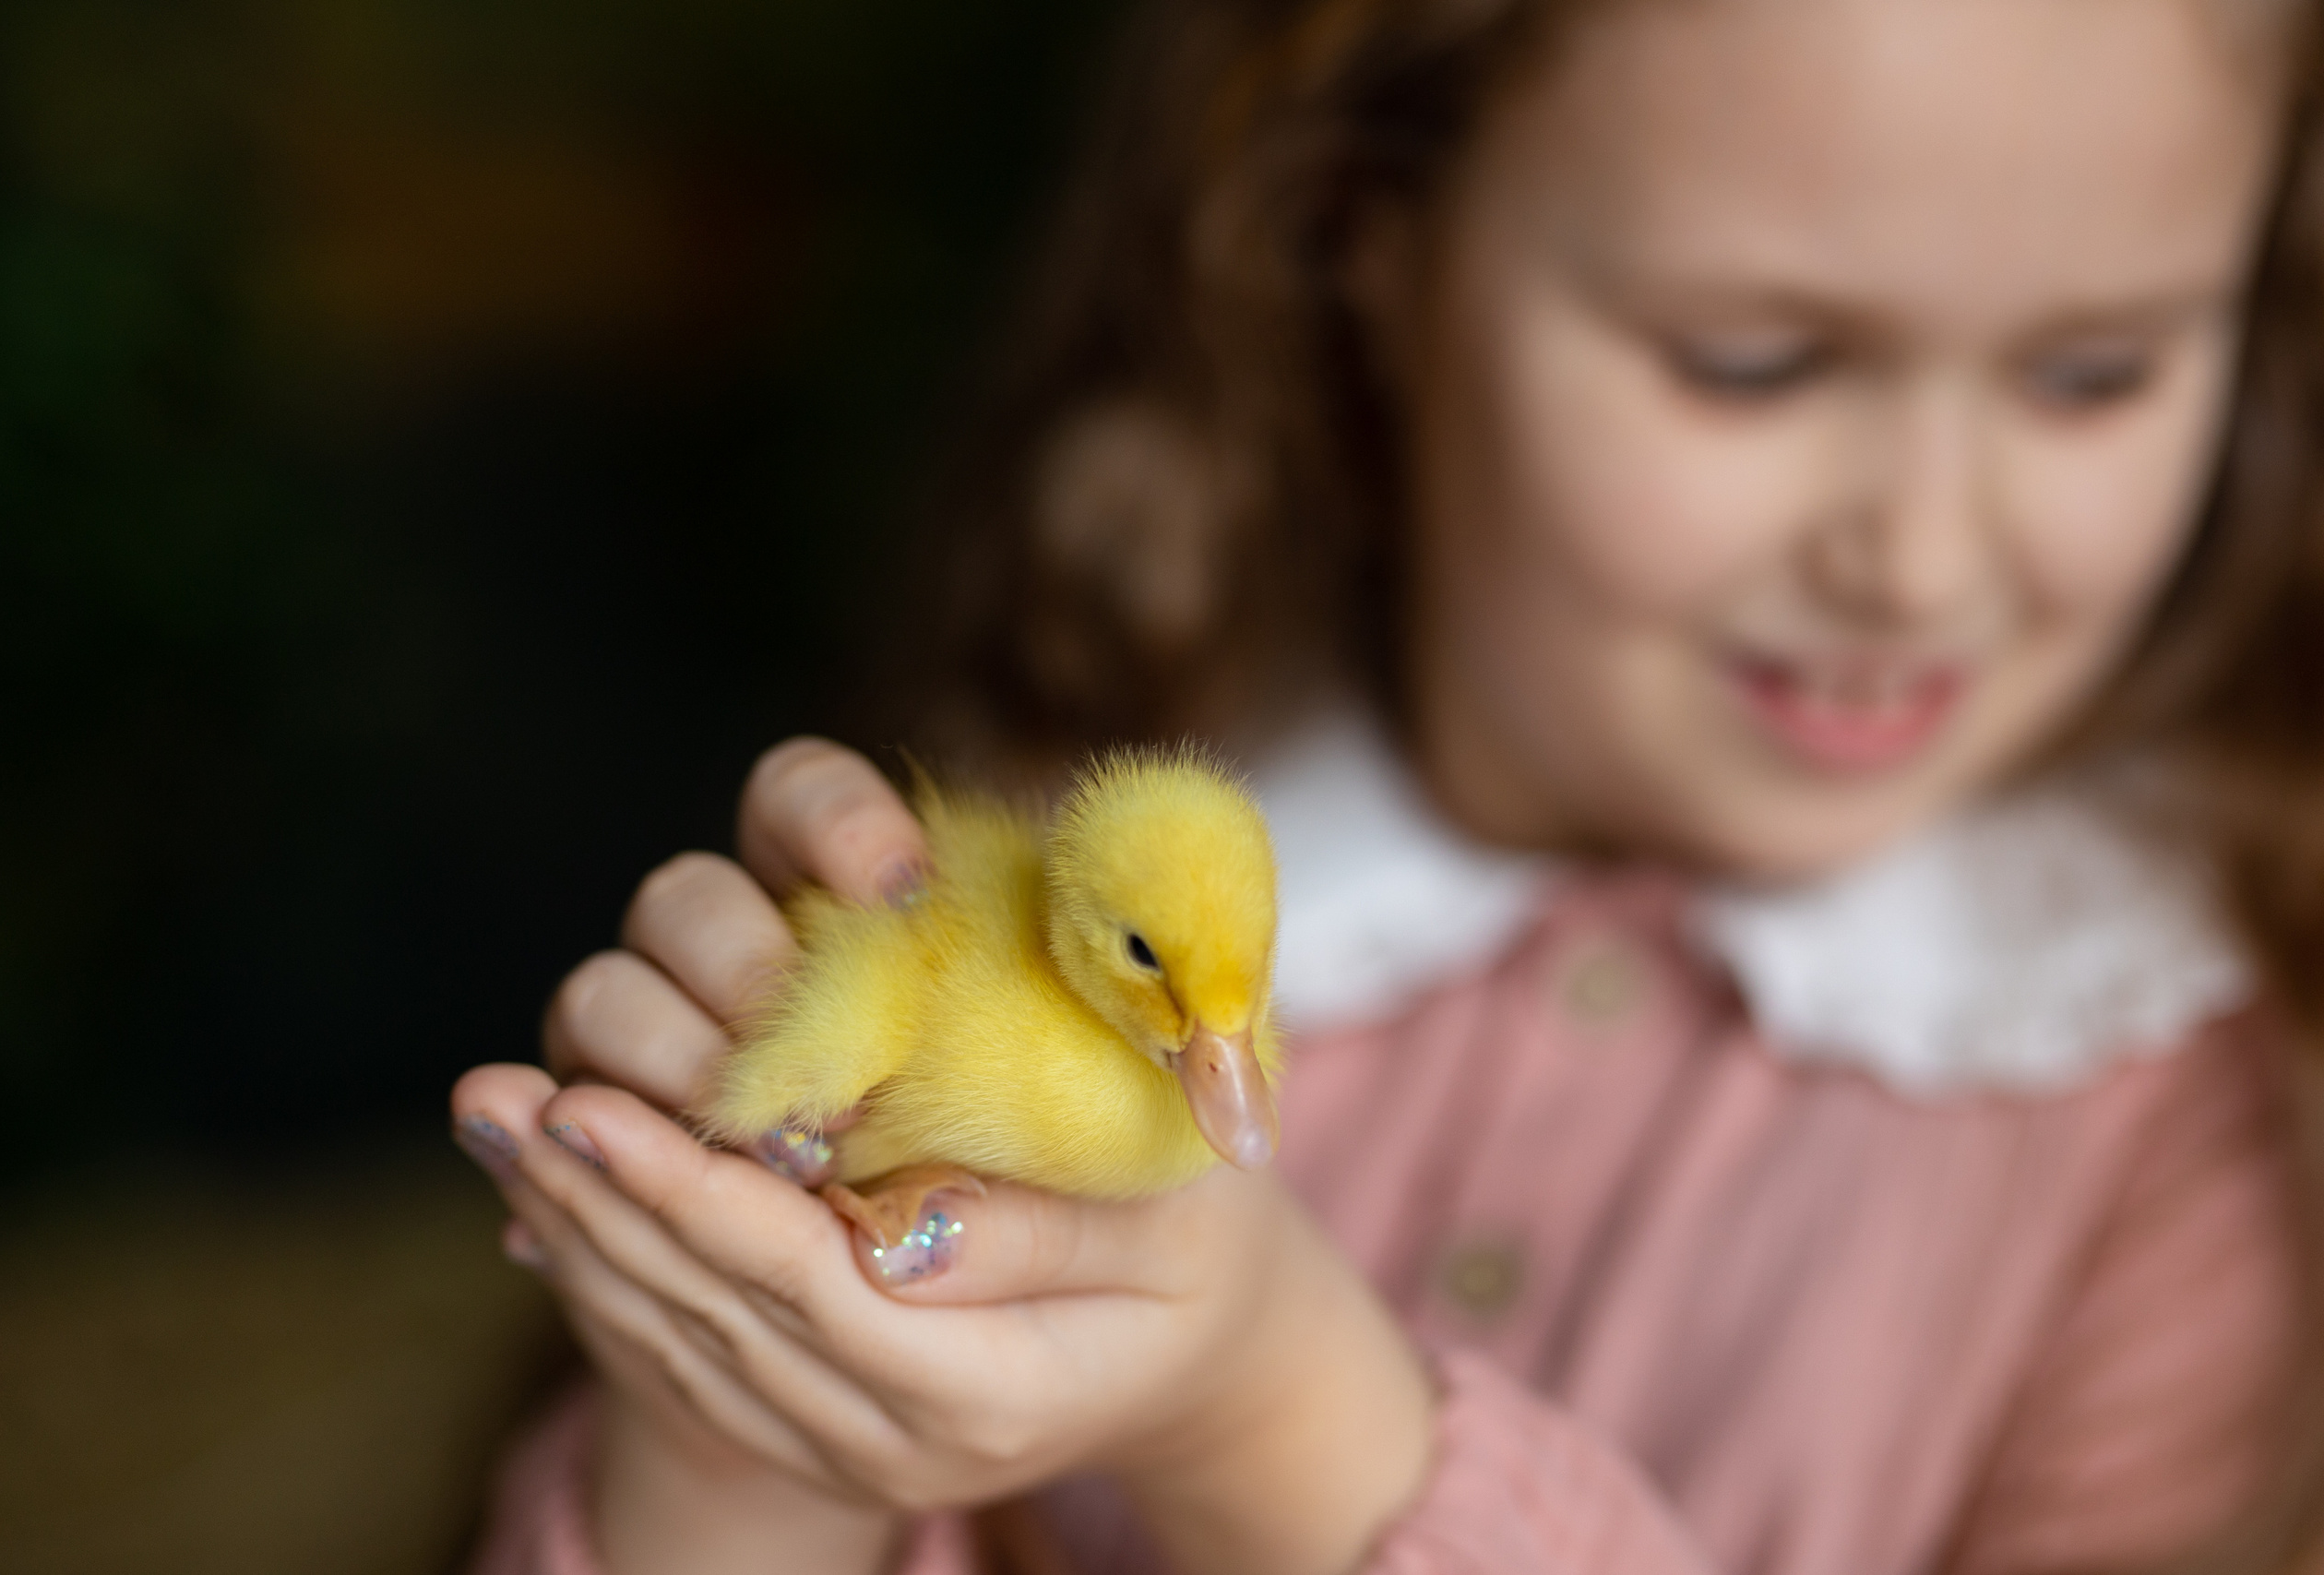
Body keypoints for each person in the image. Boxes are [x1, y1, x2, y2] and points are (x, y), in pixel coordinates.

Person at [449, 0, 2324, 1569]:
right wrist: (738, 1424)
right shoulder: (1056, 896)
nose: (1917, 556)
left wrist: (1274, 1407)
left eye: (2091, 372)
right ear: (1368, 245)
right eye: (1749, 362)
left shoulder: (2171, 1128)